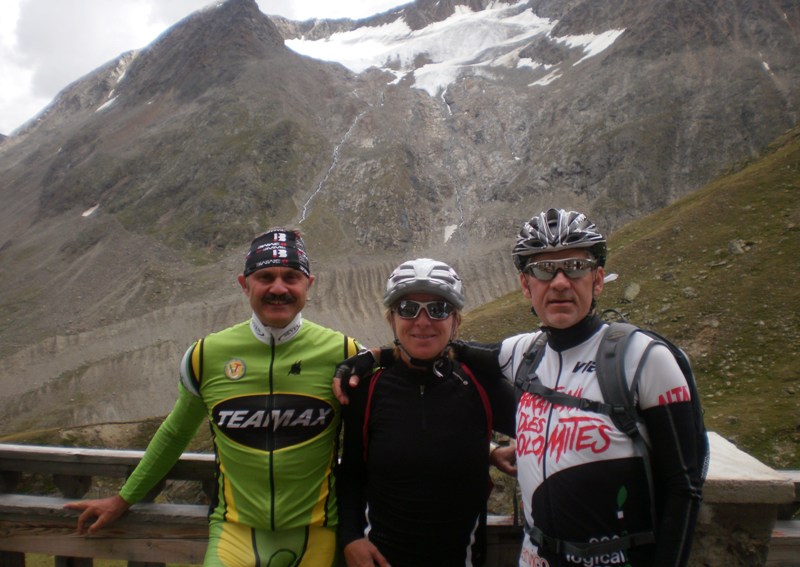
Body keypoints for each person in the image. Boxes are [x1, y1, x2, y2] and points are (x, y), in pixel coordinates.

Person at [335, 209, 703, 567]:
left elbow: (684, 486)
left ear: (598, 279)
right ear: (526, 285)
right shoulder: (524, 353)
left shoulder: (645, 358)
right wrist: (372, 357)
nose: (560, 282)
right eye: (544, 269)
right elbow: (435, 353)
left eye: (576, 266)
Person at [65, 228, 361, 567]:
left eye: (291, 277)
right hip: (233, 535)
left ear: (309, 284)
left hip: (319, 534)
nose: (279, 288)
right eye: (265, 277)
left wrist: (380, 356)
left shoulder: (346, 354)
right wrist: (123, 499)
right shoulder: (205, 356)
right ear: (244, 284)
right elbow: (176, 433)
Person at [337, 258, 517, 567]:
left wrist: (485, 450)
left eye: (438, 309)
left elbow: (547, 428)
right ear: (392, 319)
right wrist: (350, 538)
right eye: (408, 309)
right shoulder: (368, 390)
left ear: (455, 320)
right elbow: (351, 474)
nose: (423, 321)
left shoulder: (481, 386)